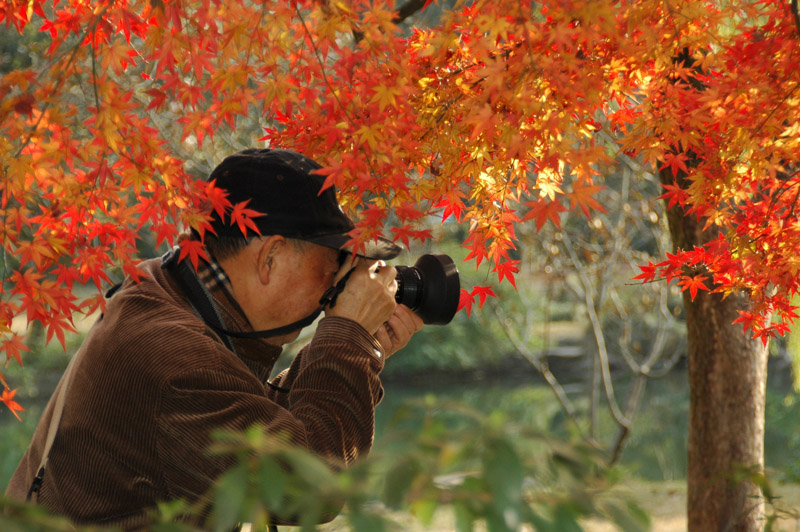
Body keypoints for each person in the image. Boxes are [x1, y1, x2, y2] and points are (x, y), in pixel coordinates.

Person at [5, 148, 424, 529]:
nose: (337, 283)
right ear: (270, 258)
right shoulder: (171, 357)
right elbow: (315, 488)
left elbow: (253, 419)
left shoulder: (167, 289)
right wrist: (345, 336)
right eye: (333, 264)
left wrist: (358, 346)